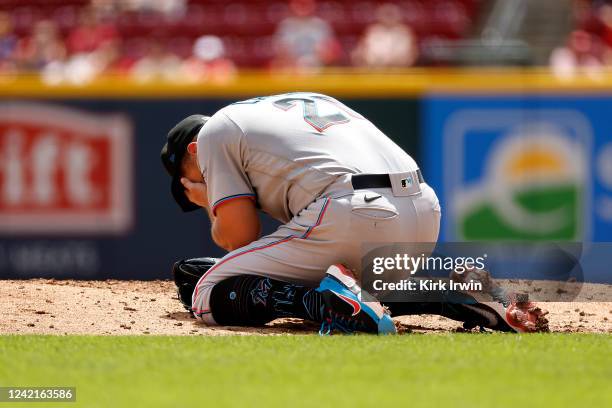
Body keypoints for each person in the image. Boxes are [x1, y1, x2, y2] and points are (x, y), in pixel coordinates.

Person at [161, 92, 549, 334]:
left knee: (204, 290)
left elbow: (238, 237)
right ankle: (451, 293)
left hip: (353, 211)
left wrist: (209, 200)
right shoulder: (295, 104)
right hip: (424, 211)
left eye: (190, 178)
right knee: (345, 278)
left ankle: (326, 304)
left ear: (193, 152)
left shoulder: (212, 135)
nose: (198, 182)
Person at [352, 3, 418, 68]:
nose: (388, 18)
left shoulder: (405, 32)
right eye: (386, 15)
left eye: (391, 15)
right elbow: (360, 52)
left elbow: (412, 54)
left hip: (399, 70)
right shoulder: (372, 31)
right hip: (375, 70)